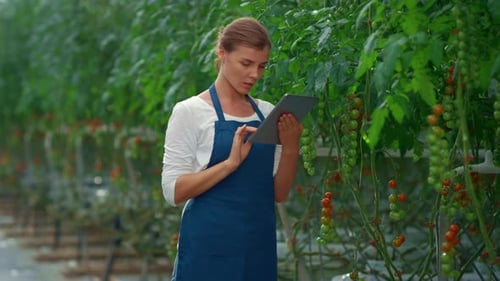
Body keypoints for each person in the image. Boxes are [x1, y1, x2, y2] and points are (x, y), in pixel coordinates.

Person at [161, 17, 302, 281]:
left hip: (257, 248)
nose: (254, 75)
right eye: (246, 64)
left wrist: (291, 147)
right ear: (222, 54)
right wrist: (229, 164)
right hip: (207, 250)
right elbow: (173, 191)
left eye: (262, 66)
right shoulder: (190, 112)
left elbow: (278, 193)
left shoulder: (267, 113)